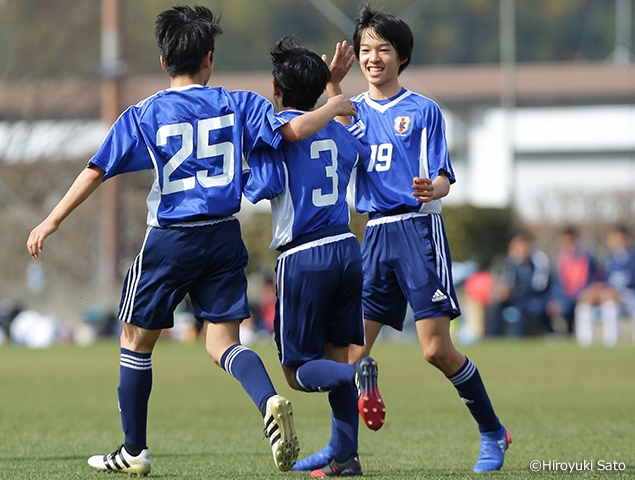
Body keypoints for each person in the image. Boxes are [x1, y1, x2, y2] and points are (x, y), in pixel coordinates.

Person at [26, 5, 357, 476]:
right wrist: (333, 99)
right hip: (223, 235)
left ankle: (134, 450)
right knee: (222, 341)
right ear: (209, 59)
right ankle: (267, 401)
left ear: (164, 62)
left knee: (135, 340)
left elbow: (96, 170)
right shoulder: (240, 103)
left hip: (171, 239)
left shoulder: (144, 114)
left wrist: (51, 221)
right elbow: (294, 128)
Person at [295, 3, 510, 473]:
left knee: (435, 350)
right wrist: (331, 83)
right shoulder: (351, 109)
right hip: (373, 237)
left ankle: (494, 432)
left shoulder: (423, 110)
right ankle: (343, 455)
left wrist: (433, 188)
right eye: (366, 49)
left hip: (417, 232)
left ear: (402, 57)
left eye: (384, 50)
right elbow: (337, 119)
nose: (373, 58)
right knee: (353, 354)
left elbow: (444, 177)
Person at [244, 35, 382, 478]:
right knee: (335, 355)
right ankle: (346, 458)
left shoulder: (277, 129)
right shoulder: (339, 127)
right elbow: (360, 138)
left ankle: (359, 378)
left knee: (297, 370)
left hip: (304, 256)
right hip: (346, 249)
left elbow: (259, 187)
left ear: (276, 88)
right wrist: (335, 90)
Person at [574, 224, 635, 347]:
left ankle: (611, 341)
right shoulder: (609, 258)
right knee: (587, 296)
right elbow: (601, 279)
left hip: (630, 295)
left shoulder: (632, 257)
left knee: (609, 297)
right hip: (609, 293)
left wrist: (615, 292)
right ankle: (585, 341)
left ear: (626, 239)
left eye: (618, 238)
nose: (615, 242)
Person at [488, 230, 552, 336]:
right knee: (498, 304)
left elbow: (539, 285)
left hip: (536, 296)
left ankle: (517, 338)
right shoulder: (513, 260)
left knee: (522, 306)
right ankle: (493, 337)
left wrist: (517, 290)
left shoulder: (539, 259)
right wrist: (506, 290)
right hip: (517, 295)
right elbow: (508, 279)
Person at [547, 226, 599, 336]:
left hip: (582, 294)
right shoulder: (559, 258)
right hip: (564, 297)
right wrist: (555, 299)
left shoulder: (587, 256)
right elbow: (557, 282)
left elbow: (590, 278)